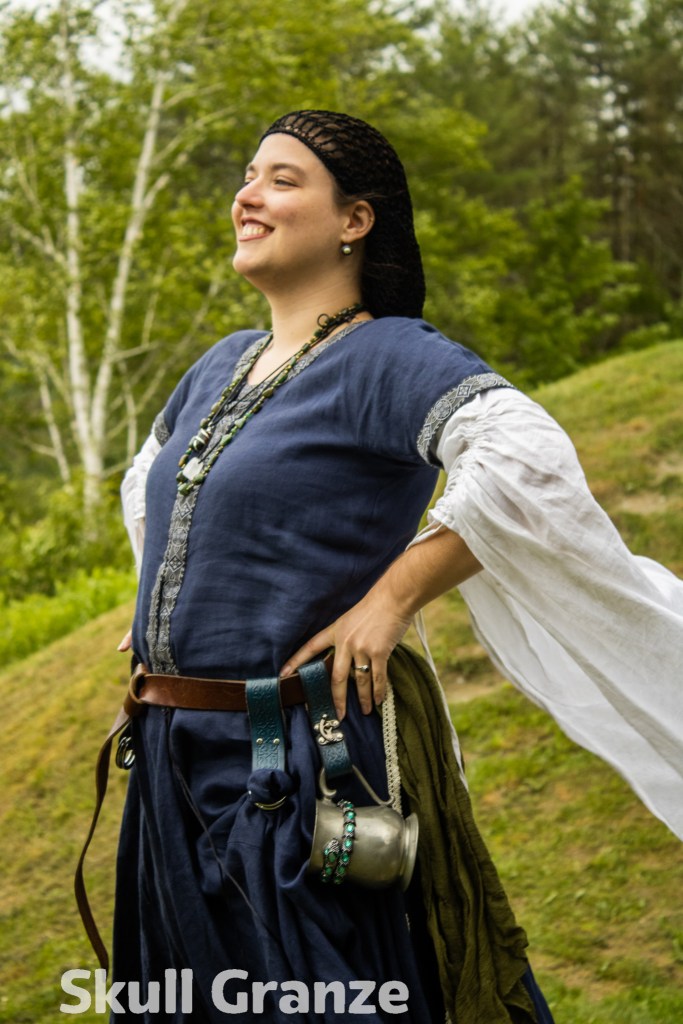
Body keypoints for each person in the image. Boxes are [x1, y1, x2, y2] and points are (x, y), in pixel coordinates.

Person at [106, 110, 683, 1023]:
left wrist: (393, 595)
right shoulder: (219, 365)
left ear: (354, 220)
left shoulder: (387, 356)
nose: (247, 197)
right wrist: (163, 618)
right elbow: (153, 482)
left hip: (292, 766)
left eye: (282, 179)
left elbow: (526, 459)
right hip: (171, 764)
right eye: (247, 177)